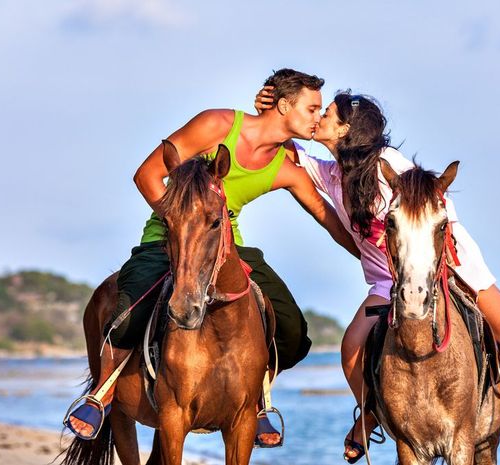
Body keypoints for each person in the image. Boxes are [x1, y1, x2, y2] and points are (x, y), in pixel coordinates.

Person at [255, 90, 500, 461]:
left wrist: (439, 263)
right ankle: (369, 414)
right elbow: (286, 148)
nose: (318, 118)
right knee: (351, 348)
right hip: (386, 283)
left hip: (447, 264)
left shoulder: (388, 162)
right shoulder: (329, 174)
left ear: (347, 129)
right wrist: (274, 111)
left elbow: (432, 198)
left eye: (327, 114)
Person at [65, 69, 360, 445]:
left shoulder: (287, 166)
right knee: (126, 310)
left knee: (293, 330)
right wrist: (181, 226)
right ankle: (103, 392)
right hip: (168, 235)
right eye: (313, 107)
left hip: (228, 244)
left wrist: (374, 260)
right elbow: (148, 175)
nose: (319, 116)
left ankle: (254, 396)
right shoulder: (217, 125)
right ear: (284, 105)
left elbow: (329, 220)